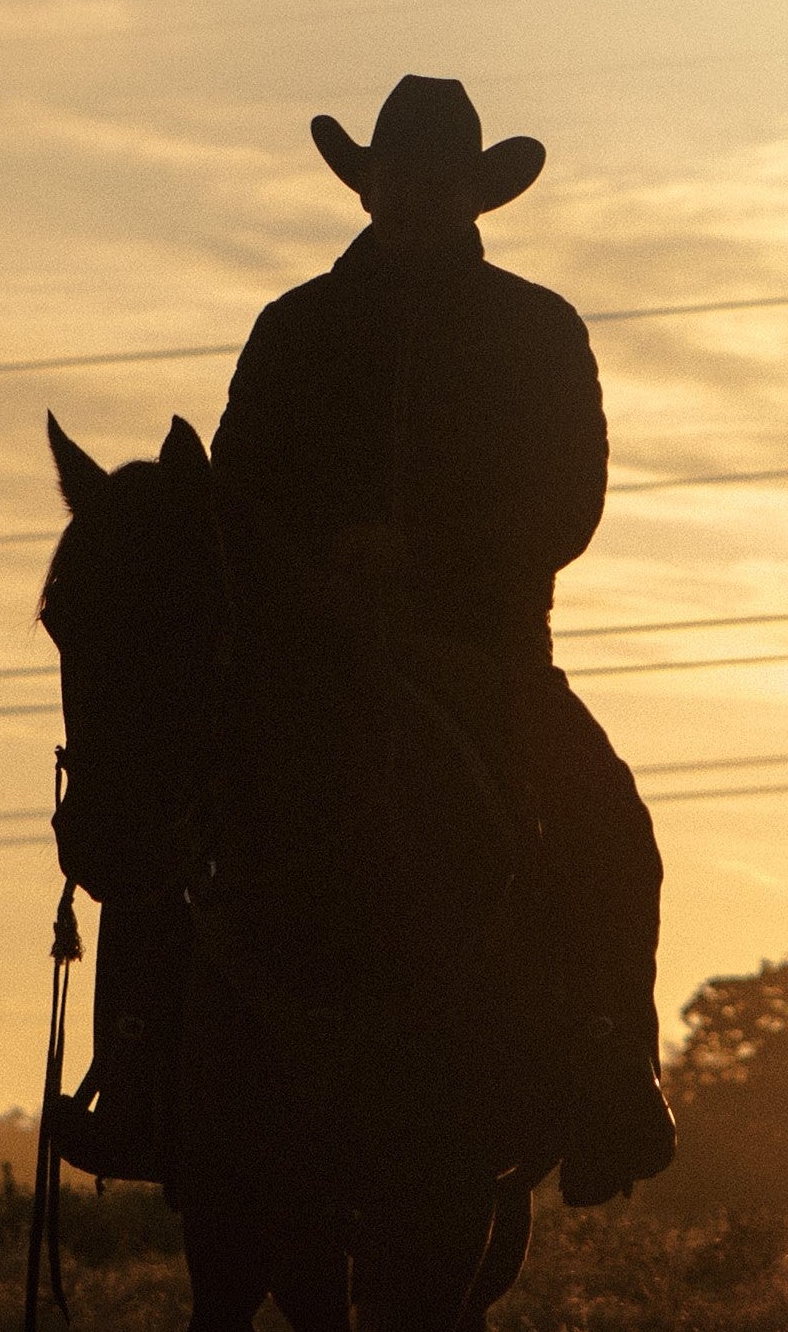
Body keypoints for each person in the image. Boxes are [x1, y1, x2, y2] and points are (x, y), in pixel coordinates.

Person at [209, 75, 671, 1205]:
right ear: (368, 188)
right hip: (305, 661)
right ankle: (140, 1071)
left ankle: (615, 1076)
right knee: (176, 818)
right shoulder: (294, 329)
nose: (413, 197)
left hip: (487, 651)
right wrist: (315, 575)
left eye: (434, 181)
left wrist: (425, 558)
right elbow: (233, 500)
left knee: (612, 831)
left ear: (471, 195)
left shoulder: (538, 330)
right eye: (396, 178)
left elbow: (570, 501)